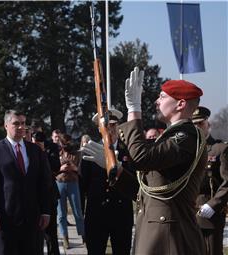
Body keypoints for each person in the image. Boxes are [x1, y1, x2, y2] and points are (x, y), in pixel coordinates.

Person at [82, 67, 207, 254]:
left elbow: (141, 158)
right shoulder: (169, 137)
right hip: (157, 233)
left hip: (171, 238)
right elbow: (146, 193)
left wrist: (134, 110)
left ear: (180, 104)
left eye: (162, 97)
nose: (157, 102)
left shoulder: (186, 137)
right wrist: (115, 167)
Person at [0, 109, 52, 255]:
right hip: (5, 221)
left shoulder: (36, 151)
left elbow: (44, 183)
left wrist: (46, 211)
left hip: (32, 221)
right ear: (6, 125)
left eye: (23, 123)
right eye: (16, 123)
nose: (21, 127)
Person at [81, 109, 134, 255]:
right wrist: (80, 215)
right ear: (99, 128)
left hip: (121, 212)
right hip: (96, 212)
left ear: (118, 126)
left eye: (113, 125)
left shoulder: (129, 151)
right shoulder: (90, 150)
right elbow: (82, 184)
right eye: (106, 125)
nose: (110, 129)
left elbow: (135, 180)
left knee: (122, 250)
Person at [192, 106, 228, 255]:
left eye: (201, 123)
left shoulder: (220, 149)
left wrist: (212, 205)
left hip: (210, 213)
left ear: (208, 124)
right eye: (194, 124)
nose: (197, 127)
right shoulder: (187, 149)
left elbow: (227, 182)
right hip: (189, 212)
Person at [32, 131, 61, 255]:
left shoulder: (52, 148)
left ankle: (53, 252)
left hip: (49, 194)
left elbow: (55, 168)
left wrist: (43, 152)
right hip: (32, 196)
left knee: (51, 230)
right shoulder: (27, 148)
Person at [56, 133, 85, 249]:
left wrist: (74, 168)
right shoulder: (57, 154)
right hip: (59, 183)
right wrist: (60, 168)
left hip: (73, 183)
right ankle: (65, 238)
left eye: (68, 143)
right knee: (61, 214)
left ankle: (83, 236)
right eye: (64, 144)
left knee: (78, 212)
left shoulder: (77, 154)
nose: (66, 145)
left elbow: (82, 171)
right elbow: (51, 170)